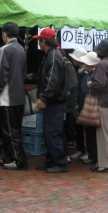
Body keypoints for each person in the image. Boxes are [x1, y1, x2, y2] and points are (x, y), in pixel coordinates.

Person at [34, 27, 70, 173]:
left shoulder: (54, 56)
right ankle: (51, 160)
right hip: (54, 102)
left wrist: (44, 97)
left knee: (53, 132)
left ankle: (60, 162)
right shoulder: (52, 55)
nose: (39, 43)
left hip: (55, 102)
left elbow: (52, 81)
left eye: (40, 40)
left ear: (44, 41)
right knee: (50, 132)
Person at [0, 22, 28, 170]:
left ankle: (18, 160)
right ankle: (7, 157)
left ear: (4, 33)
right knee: (13, 129)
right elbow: (23, 72)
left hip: (7, 96)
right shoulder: (21, 49)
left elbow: (2, 74)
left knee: (9, 131)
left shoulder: (5, 49)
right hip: (19, 95)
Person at [85, 46, 108, 173]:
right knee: (105, 134)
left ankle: (104, 164)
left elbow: (99, 84)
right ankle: (102, 162)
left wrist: (90, 84)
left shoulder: (101, 65)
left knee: (103, 135)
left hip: (104, 103)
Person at [68, 47, 88, 161]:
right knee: (78, 128)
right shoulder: (76, 71)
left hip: (83, 105)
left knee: (87, 129)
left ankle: (87, 151)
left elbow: (83, 91)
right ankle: (80, 149)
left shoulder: (85, 73)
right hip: (76, 105)